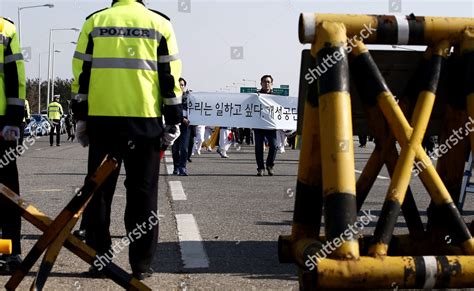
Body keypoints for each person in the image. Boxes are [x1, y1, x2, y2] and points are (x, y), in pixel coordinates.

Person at [71, 0, 182, 280]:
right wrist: (173, 117)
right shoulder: (160, 24)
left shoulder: (95, 22)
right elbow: (169, 76)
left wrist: (80, 115)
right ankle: (141, 265)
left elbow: (81, 73)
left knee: (98, 194)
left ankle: (99, 260)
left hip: (102, 122)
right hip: (145, 123)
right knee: (143, 195)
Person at [0, 16, 26, 274]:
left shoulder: (5, 28)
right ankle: (9, 253)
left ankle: (8, 250)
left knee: (7, 191)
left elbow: (14, 74)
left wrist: (13, 120)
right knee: (7, 191)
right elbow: (16, 76)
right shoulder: (5, 28)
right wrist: (13, 121)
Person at [254, 75, 277, 176]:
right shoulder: (255, 96)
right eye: (264, 82)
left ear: (271, 84)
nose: (266, 84)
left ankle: (270, 165)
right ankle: (260, 168)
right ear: (261, 83)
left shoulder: (276, 97)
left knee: (274, 146)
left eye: (268, 82)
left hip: (270, 126)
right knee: (259, 147)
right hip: (258, 125)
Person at [172, 78, 191, 175]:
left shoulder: (189, 98)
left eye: (182, 84)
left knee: (184, 148)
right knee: (175, 149)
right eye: (179, 84)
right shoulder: (172, 97)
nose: (181, 86)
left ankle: (182, 167)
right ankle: (176, 166)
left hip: (185, 127)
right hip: (174, 126)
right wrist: (182, 118)